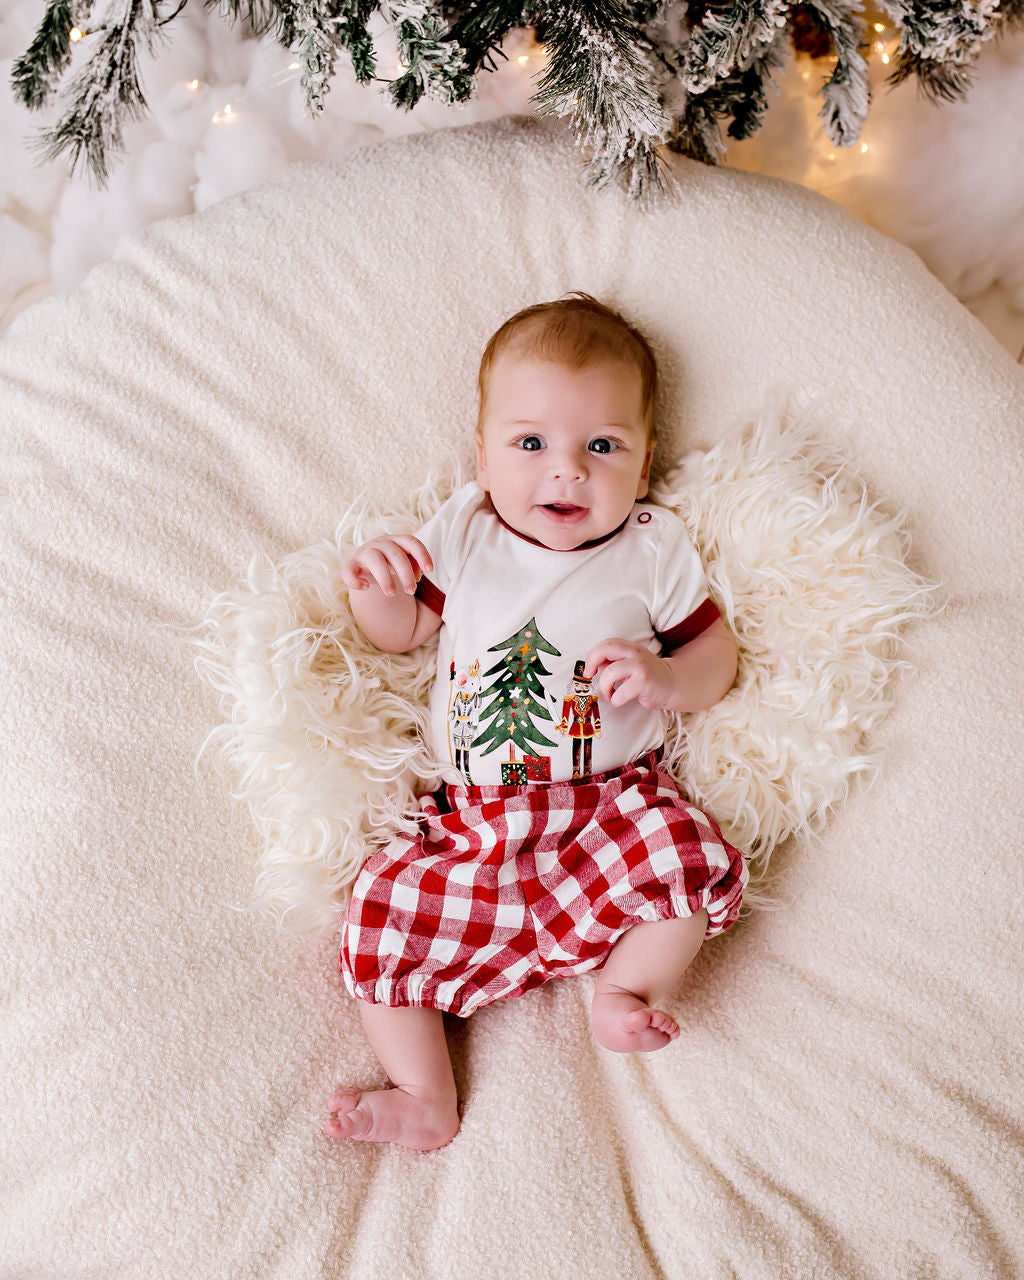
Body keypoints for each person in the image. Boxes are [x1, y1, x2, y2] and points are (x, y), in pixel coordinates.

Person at [325, 293, 747, 1152]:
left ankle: (623, 992)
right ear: (481, 455)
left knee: (685, 870)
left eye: (603, 446)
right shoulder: (466, 534)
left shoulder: (651, 547)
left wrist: (669, 676)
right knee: (381, 909)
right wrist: (376, 590)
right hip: (475, 822)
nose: (567, 472)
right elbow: (403, 635)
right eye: (530, 444)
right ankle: (425, 1094)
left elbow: (718, 654)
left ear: (644, 460)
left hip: (610, 808)